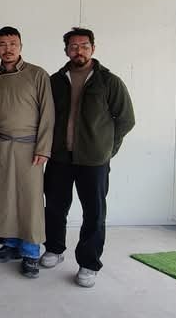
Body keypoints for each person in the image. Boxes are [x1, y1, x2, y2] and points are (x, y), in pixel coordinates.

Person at [41, 27, 135, 288]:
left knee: (94, 213)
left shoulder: (109, 81)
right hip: (60, 157)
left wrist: (108, 149)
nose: (78, 51)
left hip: (94, 161)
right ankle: (54, 249)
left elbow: (126, 119)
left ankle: (88, 263)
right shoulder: (56, 80)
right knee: (54, 207)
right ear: (66, 50)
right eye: (73, 47)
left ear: (93, 48)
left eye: (84, 46)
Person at [0, 26, 54, 278]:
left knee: (29, 201)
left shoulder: (37, 74)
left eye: (12, 44)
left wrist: (43, 148)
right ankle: (11, 245)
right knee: (5, 198)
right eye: (2, 44)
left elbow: (48, 114)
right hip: (0, 145)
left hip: (29, 147)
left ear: (20, 46)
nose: (8, 49)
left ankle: (31, 252)